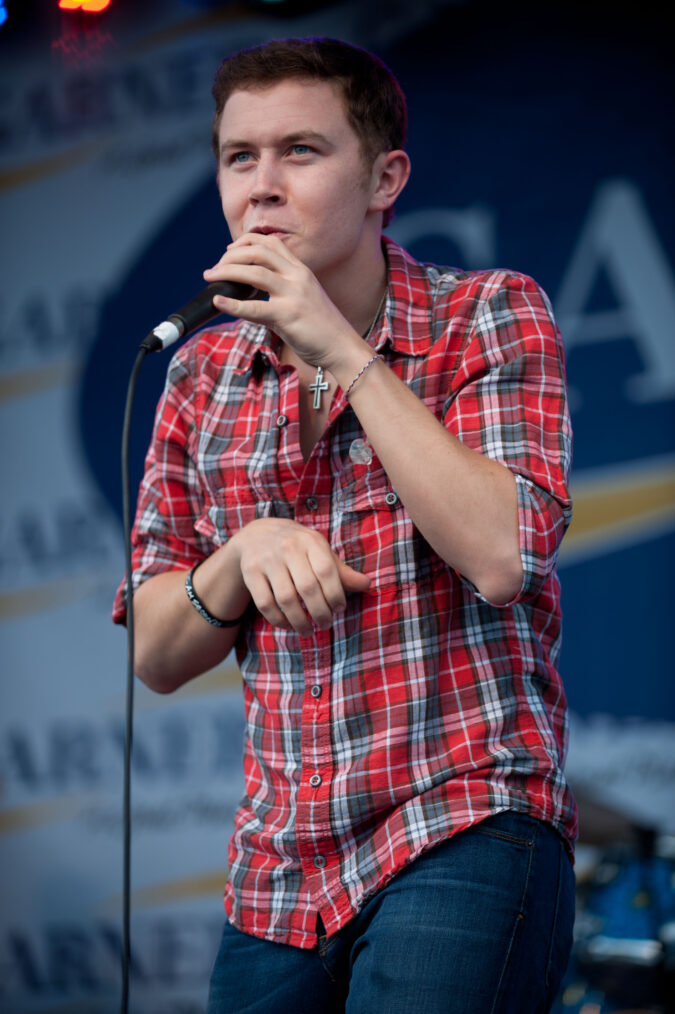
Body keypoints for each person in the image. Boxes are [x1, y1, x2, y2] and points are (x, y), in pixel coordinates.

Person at [114, 36, 576, 1014]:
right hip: (277, 873)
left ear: (384, 177)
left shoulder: (488, 315)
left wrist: (335, 340)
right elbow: (156, 654)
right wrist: (243, 553)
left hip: (461, 821)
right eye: (241, 158)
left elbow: (503, 555)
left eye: (301, 152)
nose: (263, 188)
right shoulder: (199, 378)